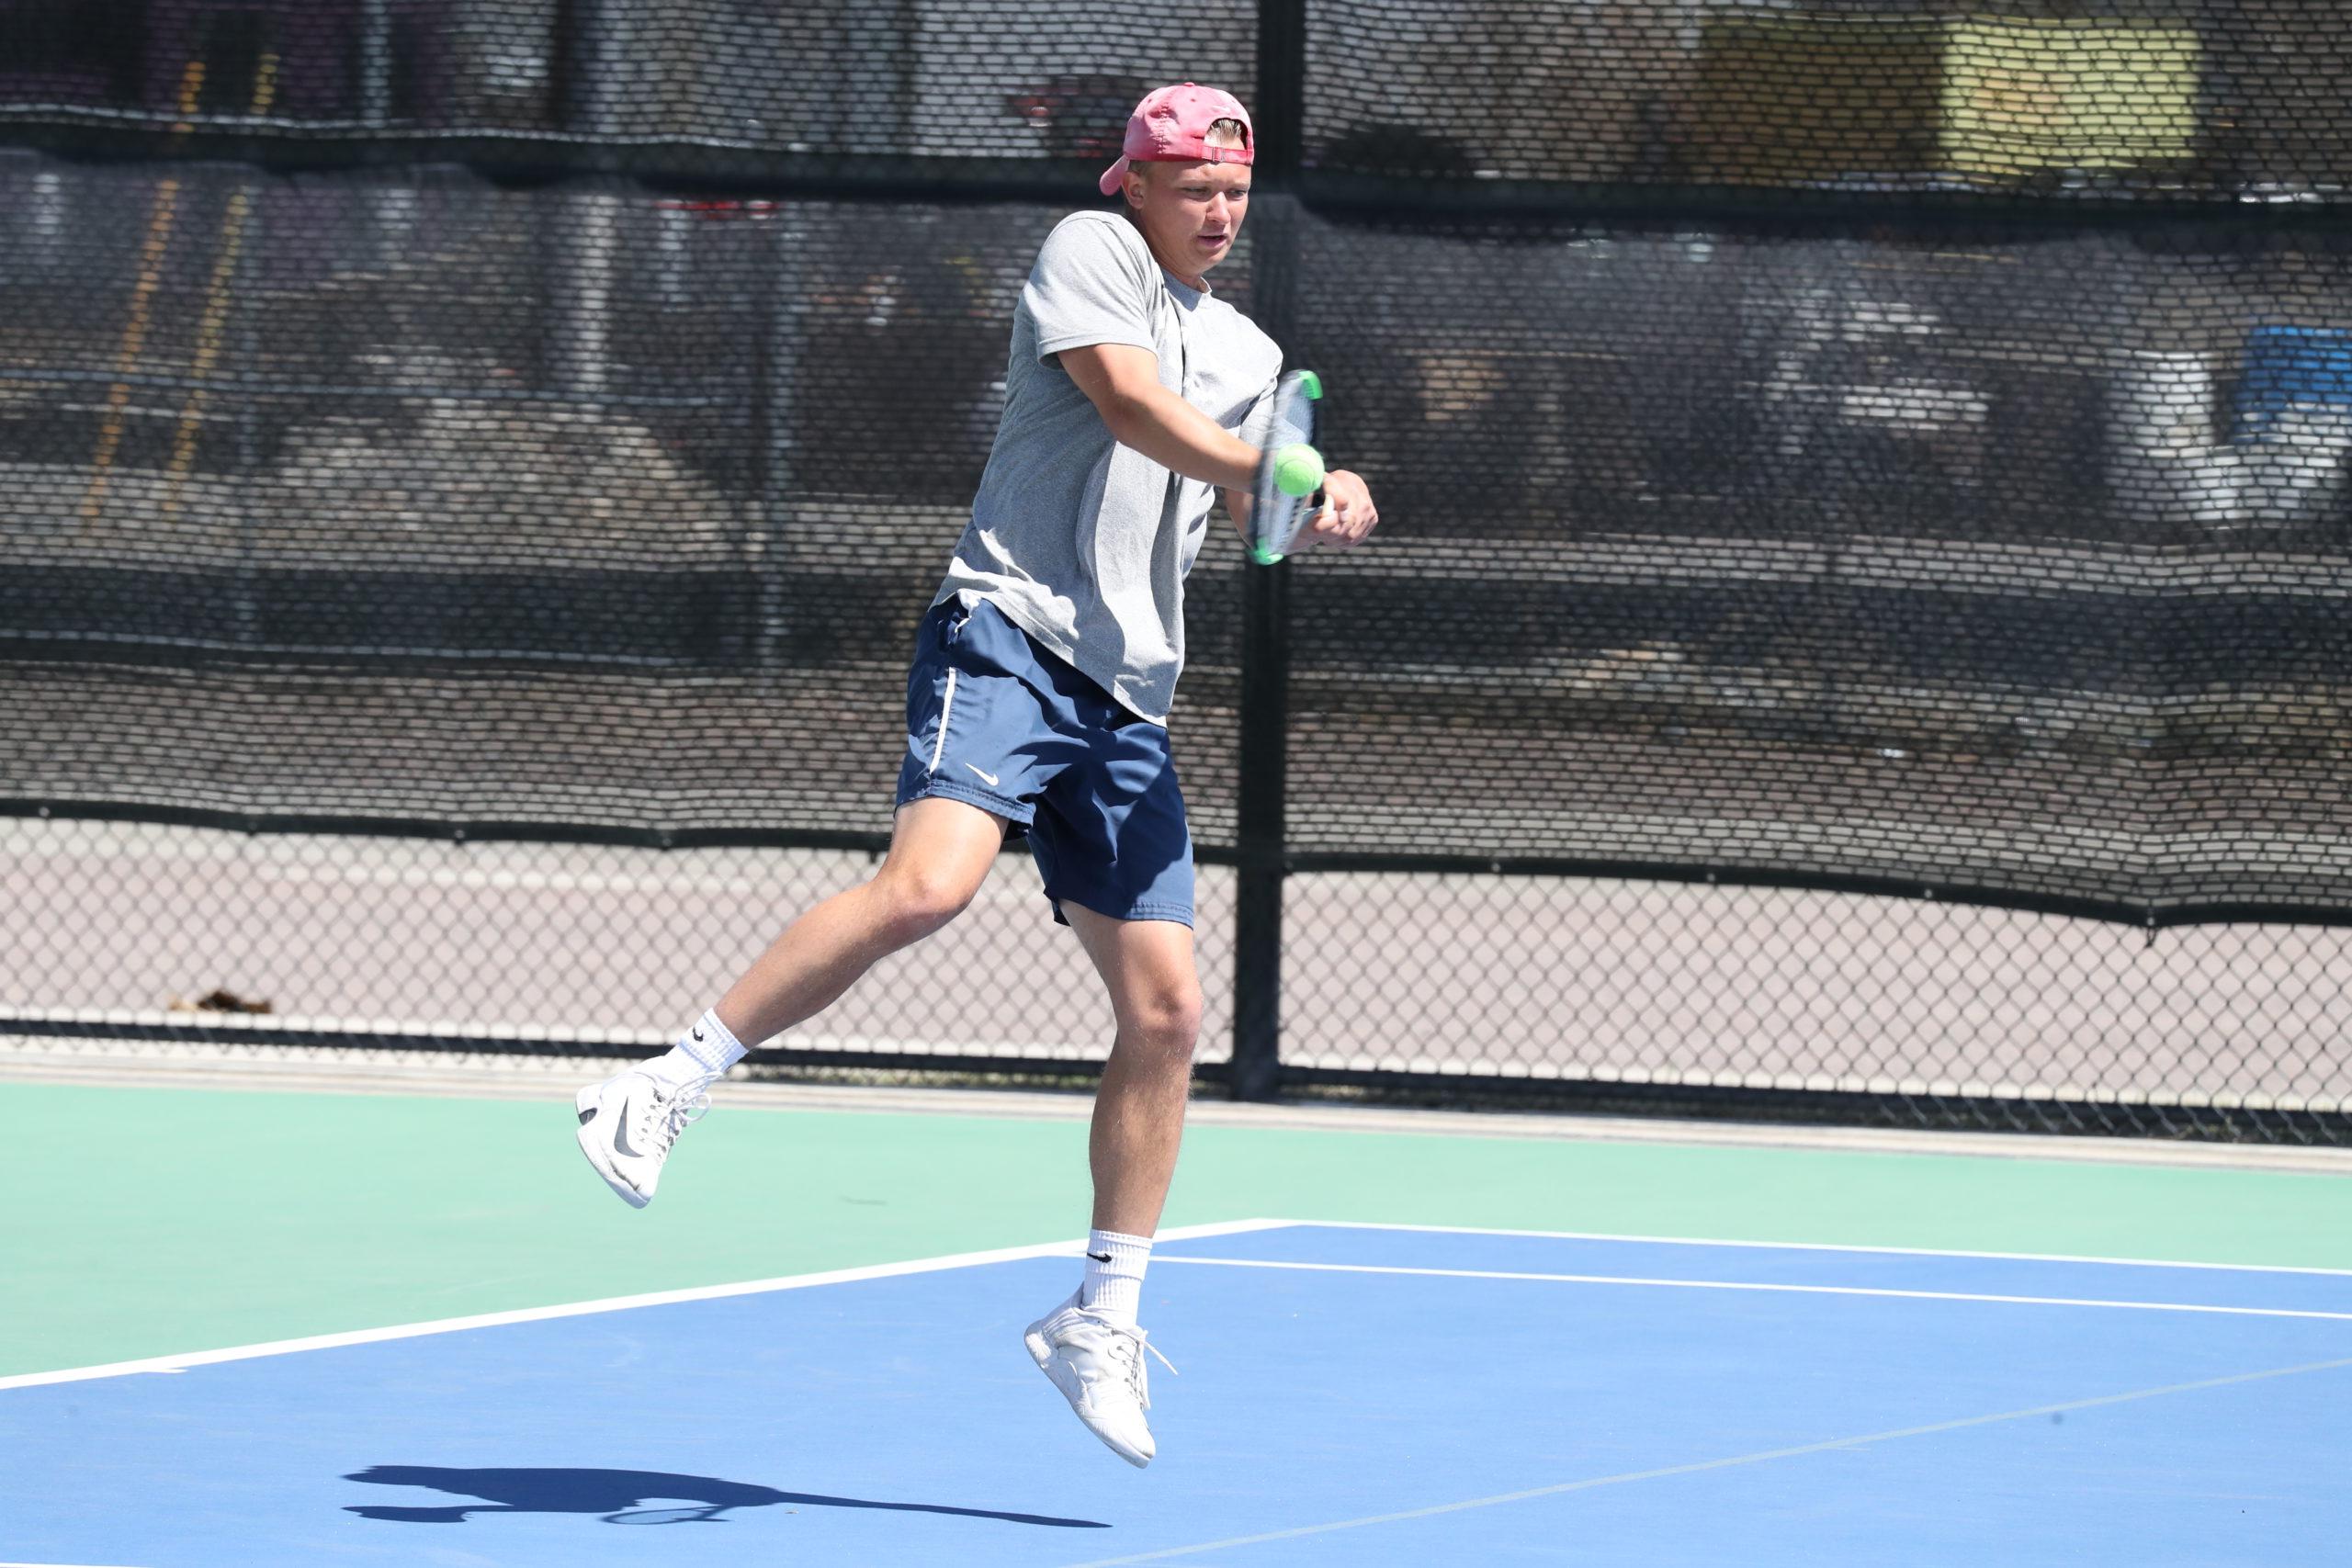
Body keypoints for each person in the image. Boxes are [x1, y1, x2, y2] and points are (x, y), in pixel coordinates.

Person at [572, 82, 1379, 1467]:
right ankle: (662, 1082)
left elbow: (1267, 483)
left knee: (1172, 1011)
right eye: (1195, 187)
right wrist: (1269, 465)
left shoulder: (1248, 346)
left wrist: (1328, 484)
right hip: (1010, 631)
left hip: (1130, 692)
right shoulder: (1090, 252)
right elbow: (1131, 408)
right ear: (1137, 184)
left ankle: (1099, 1317)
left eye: (1237, 190)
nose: (1220, 211)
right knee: (929, 888)